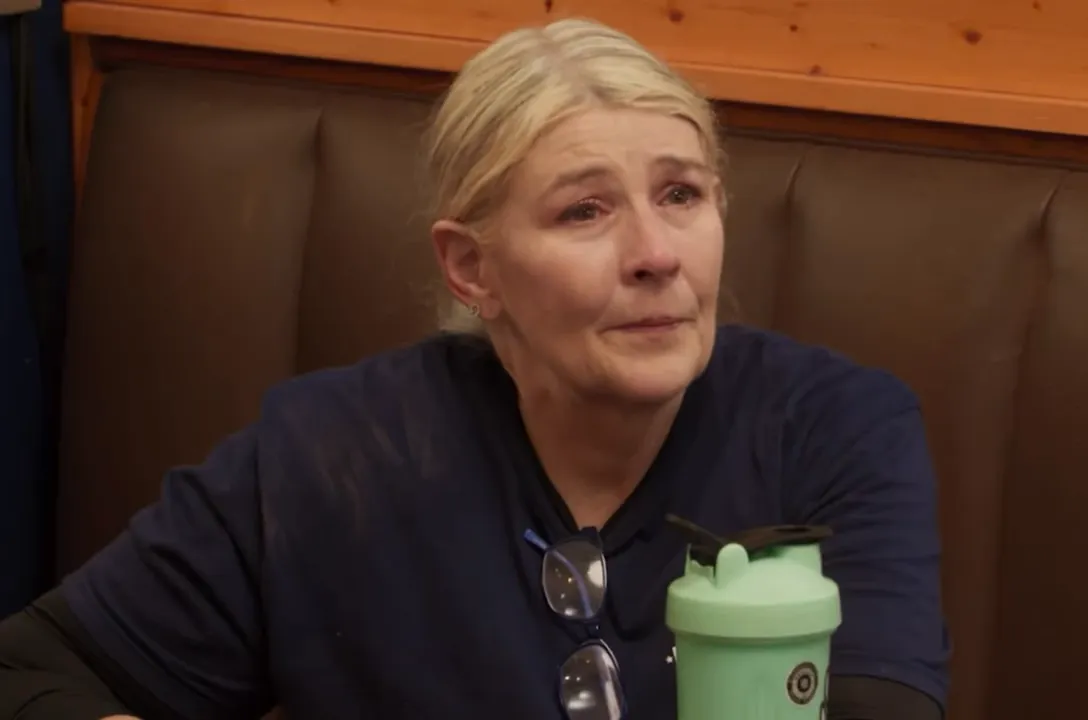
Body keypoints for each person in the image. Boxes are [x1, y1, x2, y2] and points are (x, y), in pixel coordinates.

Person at [0, 17, 950, 720]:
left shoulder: (833, 426)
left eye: (681, 193)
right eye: (585, 211)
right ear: (472, 267)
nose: (657, 252)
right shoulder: (334, 455)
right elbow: (33, 671)